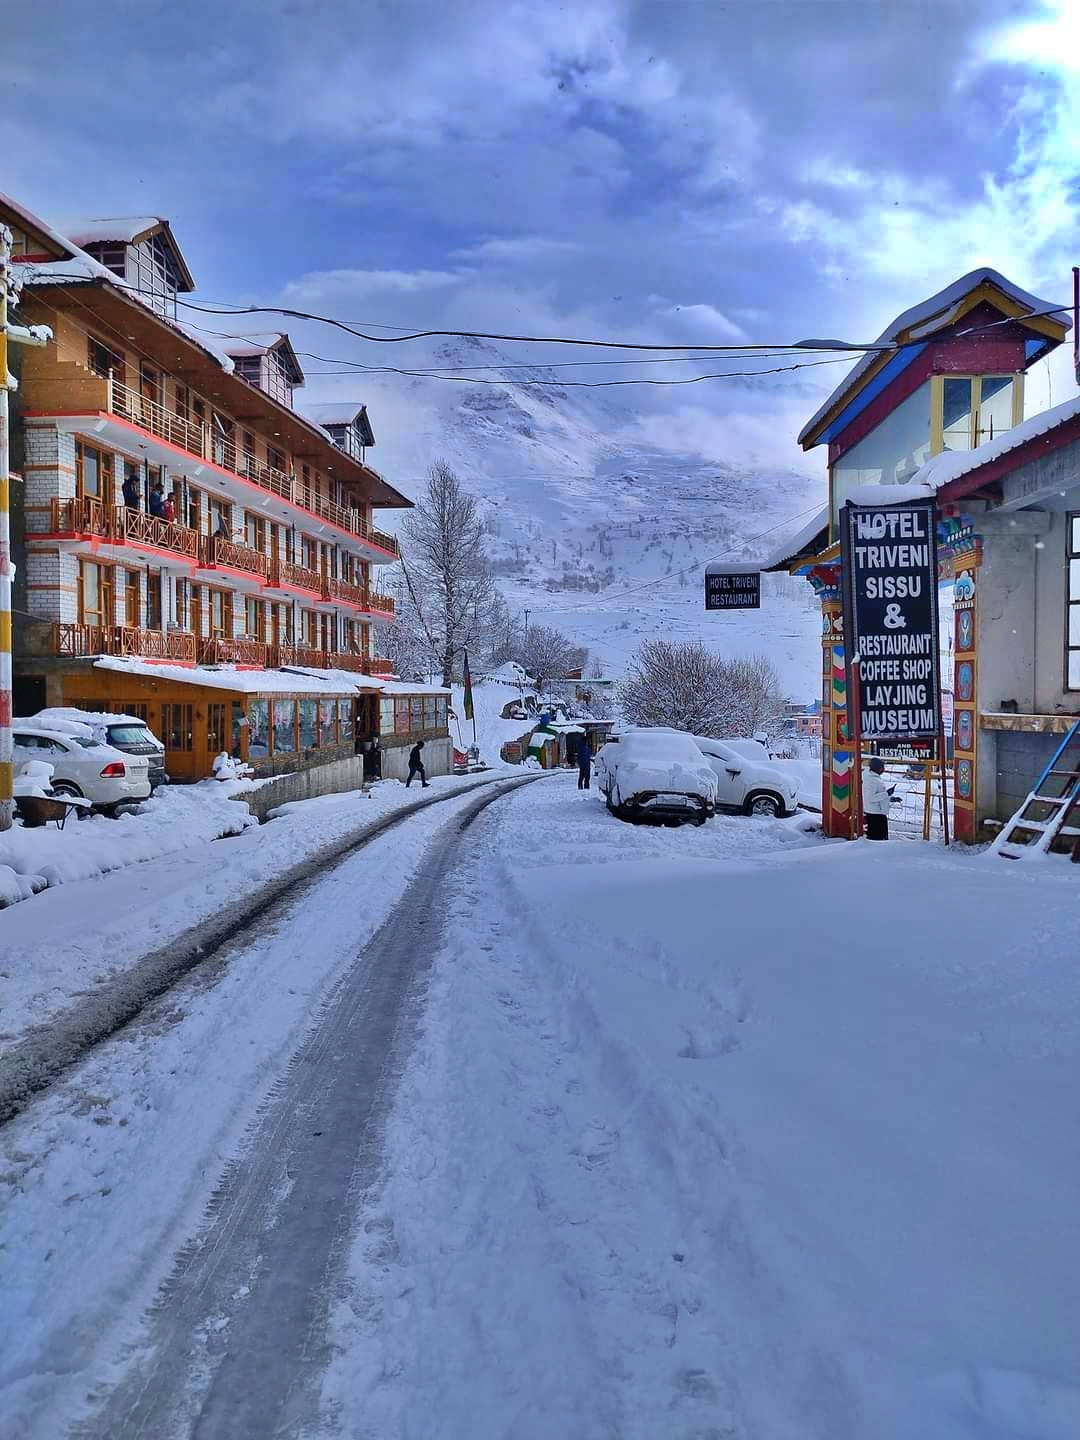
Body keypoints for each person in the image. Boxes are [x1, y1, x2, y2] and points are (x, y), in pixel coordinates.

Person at [862, 756, 895, 840]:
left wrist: (890, 798)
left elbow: (878, 795)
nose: (883, 769)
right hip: (875, 813)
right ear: (876, 768)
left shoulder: (874, 778)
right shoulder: (872, 780)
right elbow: (871, 797)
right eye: (882, 767)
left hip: (877, 811)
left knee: (878, 839)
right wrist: (887, 793)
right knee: (878, 840)